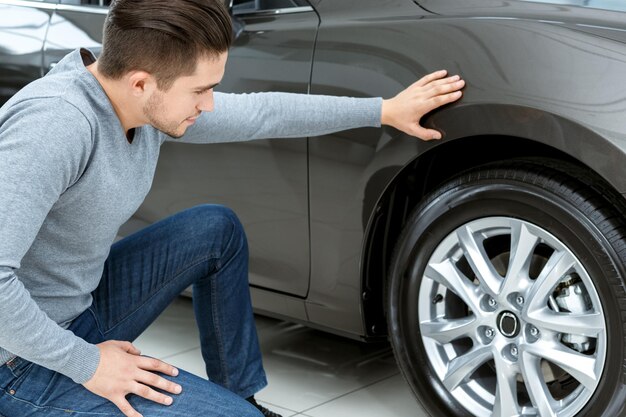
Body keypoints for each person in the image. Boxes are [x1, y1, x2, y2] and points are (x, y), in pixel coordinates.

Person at [0, 0, 465, 416]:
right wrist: (88, 365)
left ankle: (240, 396)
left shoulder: (135, 101)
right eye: (200, 90)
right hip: (18, 360)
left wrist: (383, 110)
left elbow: (263, 112)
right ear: (142, 83)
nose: (209, 104)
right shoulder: (55, 126)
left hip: (76, 310)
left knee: (214, 229)